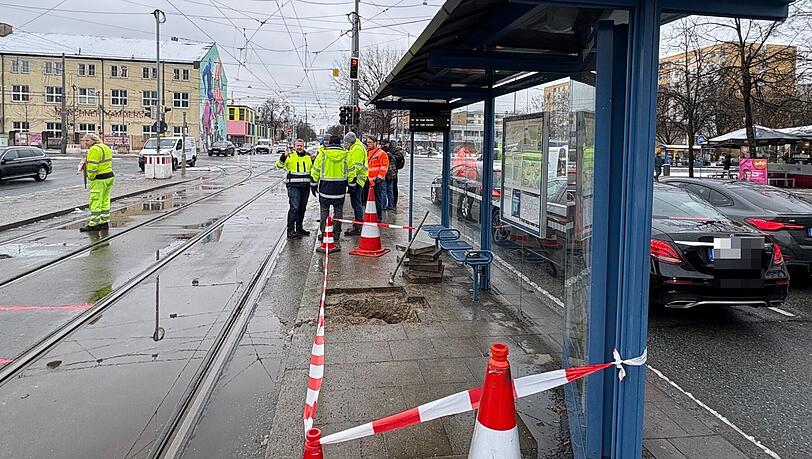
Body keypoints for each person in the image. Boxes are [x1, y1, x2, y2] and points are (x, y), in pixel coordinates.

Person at [311, 135, 355, 252]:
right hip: (340, 188)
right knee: (338, 211)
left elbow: (315, 171)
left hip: (325, 188)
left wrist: (313, 185)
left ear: (330, 143)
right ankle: (336, 233)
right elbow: (352, 171)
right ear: (340, 143)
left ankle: (324, 233)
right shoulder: (346, 155)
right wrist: (351, 186)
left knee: (324, 211)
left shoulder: (323, 154)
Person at [276, 138, 313, 239]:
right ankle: (291, 231)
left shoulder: (308, 157)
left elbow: (313, 169)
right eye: (297, 146)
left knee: (302, 208)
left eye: (301, 146)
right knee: (294, 208)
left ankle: (299, 229)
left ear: (304, 146)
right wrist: (284, 156)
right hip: (293, 187)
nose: (299, 147)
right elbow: (278, 165)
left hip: (305, 187)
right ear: (294, 146)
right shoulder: (290, 156)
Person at [78, 133, 114, 232]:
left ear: (94, 140)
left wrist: (90, 177)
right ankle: (104, 222)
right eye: (84, 141)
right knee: (105, 200)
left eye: (87, 140)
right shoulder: (105, 147)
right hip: (109, 176)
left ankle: (94, 224)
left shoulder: (94, 150)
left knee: (95, 200)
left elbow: (93, 167)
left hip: (99, 179)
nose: (85, 143)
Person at [343, 132, 368, 236]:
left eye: (347, 142)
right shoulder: (356, 147)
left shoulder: (357, 148)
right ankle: (358, 223)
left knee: (356, 202)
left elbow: (356, 166)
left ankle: (358, 225)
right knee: (356, 202)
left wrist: (350, 179)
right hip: (358, 178)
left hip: (357, 179)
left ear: (350, 141)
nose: (346, 144)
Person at [364, 135, 389, 221]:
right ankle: (369, 215)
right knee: (367, 200)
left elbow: (384, 166)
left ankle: (379, 217)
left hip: (376, 181)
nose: (368, 144)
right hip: (367, 180)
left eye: (370, 142)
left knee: (377, 199)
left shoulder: (382, 153)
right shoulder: (366, 152)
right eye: (367, 142)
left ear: (375, 143)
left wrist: (379, 177)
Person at [383, 141, 399, 210]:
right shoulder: (392, 156)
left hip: (385, 174)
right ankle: (391, 205)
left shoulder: (383, 154)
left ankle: (383, 205)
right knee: (390, 190)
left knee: (384, 190)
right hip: (391, 175)